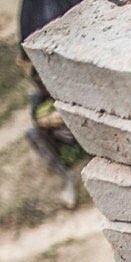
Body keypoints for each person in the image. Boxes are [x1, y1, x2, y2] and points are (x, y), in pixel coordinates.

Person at [18, 0, 87, 208]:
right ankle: (69, 178)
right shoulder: (33, 10)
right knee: (38, 125)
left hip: (89, 80)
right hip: (62, 96)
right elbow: (32, 67)